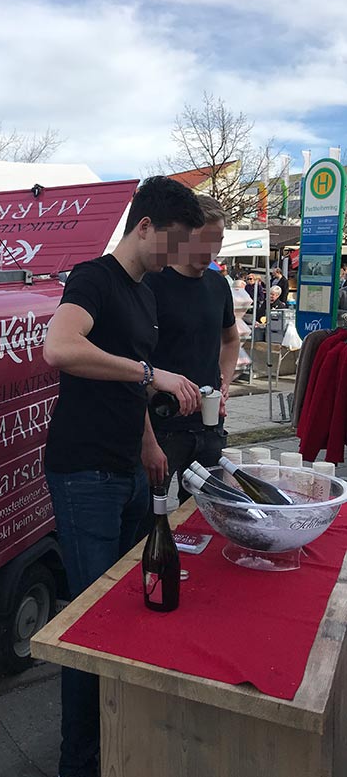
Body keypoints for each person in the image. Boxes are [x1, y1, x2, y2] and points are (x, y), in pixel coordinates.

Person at [43, 176, 204, 777]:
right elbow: (59, 349)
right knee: (90, 623)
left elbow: (130, 383)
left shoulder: (146, 294)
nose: (175, 257)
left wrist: (149, 442)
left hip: (127, 467)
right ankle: (76, 769)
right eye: (173, 243)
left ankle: (115, 739)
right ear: (144, 228)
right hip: (84, 471)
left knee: (127, 606)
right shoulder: (93, 278)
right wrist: (151, 371)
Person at [137, 196, 240, 530]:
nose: (211, 250)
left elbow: (231, 339)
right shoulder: (153, 283)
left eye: (218, 240)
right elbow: (135, 358)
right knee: (147, 519)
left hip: (209, 425)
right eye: (204, 240)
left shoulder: (218, 284)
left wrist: (225, 383)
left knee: (209, 515)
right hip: (163, 425)